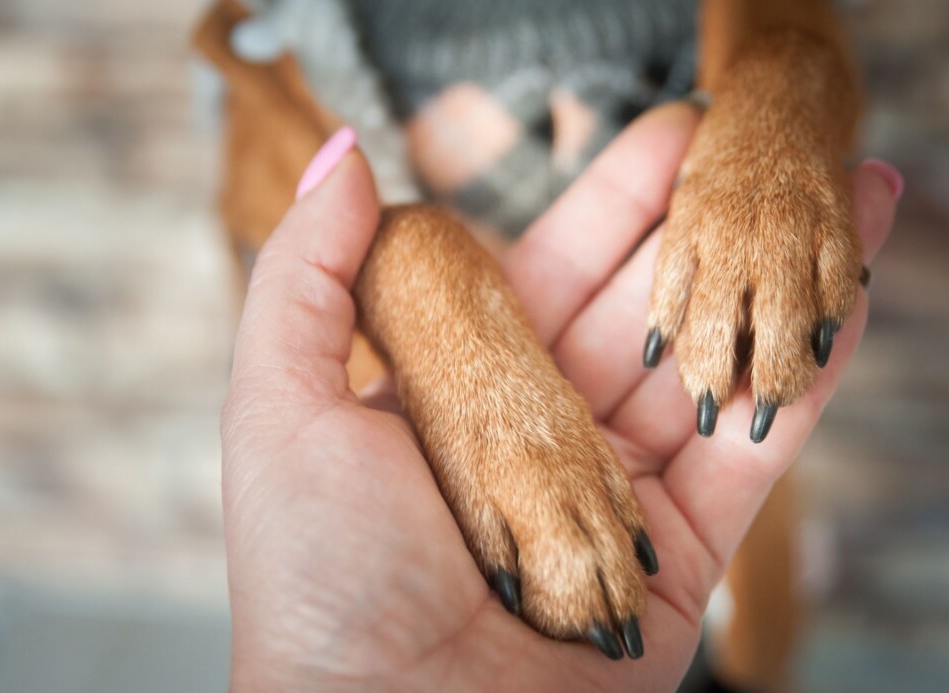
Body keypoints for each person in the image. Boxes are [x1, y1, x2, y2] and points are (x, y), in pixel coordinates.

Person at [219, 103, 901, 691]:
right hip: (593, 488)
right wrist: (424, 296)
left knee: (754, 632)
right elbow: (346, 339)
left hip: (698, 473)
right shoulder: (274, 53)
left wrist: (781, 110)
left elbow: (802, 48)